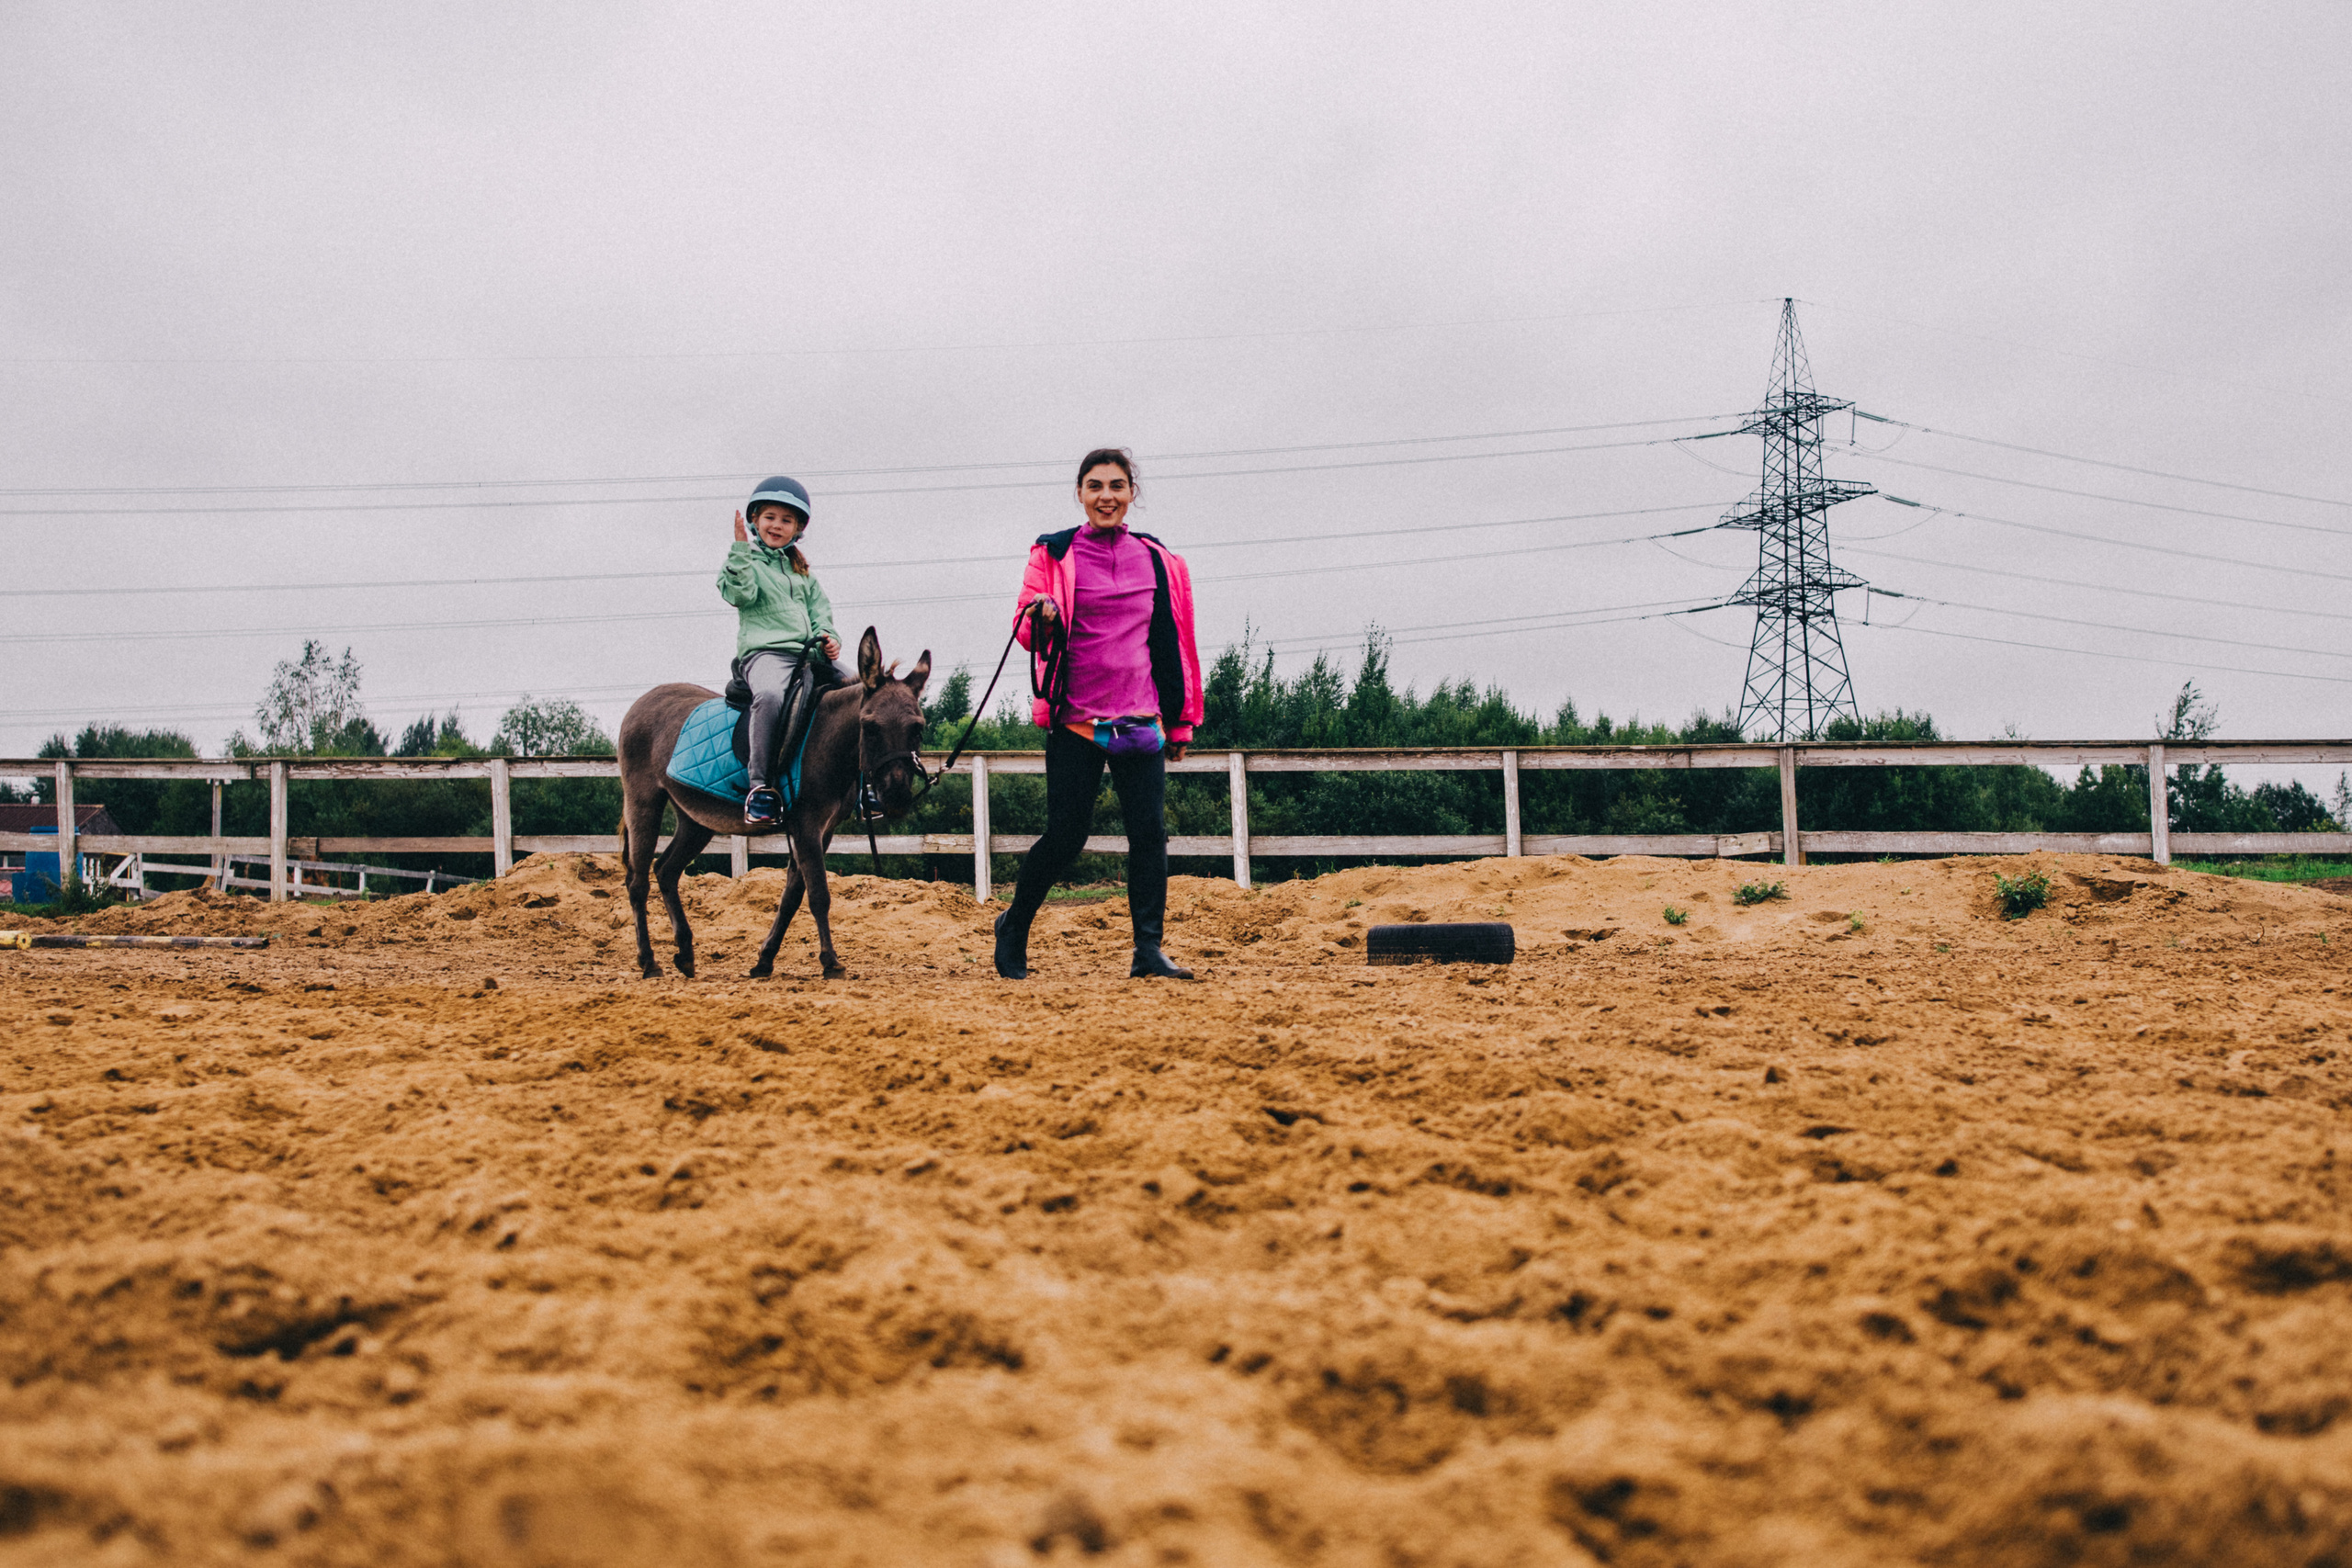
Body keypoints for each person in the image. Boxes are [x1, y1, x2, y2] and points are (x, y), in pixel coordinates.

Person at [993, 448, 1205, 981]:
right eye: (1094, 486)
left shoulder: (1161, 560)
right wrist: (1041, 614)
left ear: (1132, 492)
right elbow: (1025, 632)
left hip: (1142, 720)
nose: (1105, 495)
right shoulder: (1053, 554)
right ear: (1080, 494)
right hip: (1077, 719)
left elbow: (1179, 642)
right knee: (1067, 836)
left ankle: (1148, 952)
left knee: (1149, 836)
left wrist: (1181, 721)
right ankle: (1015, 925)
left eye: (1116, 485)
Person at [718, 476, 842, 828]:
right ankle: (759, 787)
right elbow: (738, 594)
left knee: (864, 693)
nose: (777, 525)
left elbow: (821, 612)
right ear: (755, 520)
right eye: (770, 517)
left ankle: (864, 786)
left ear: (797, 529)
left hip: (812, 655)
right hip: (766, 655)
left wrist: (829, 637)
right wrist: (740, 549)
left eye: (786, 520)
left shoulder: (803, 573)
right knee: (770, 696)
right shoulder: (747, 563)